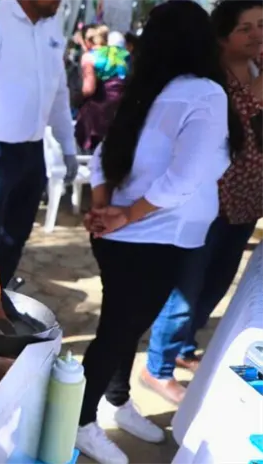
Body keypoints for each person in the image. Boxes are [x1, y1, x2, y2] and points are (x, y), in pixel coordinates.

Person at [76, 2, 242, 463]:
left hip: (132, 236)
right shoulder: (206, 93)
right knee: (117, 331)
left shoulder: (149, 89)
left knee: (125, 326)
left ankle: (115, 400)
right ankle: (81, 419)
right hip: (149, 237)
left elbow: (100, 156)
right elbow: (184, 180)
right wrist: (120, 216)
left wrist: (103, 208)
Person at [142, 0, 263, 405]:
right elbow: (238, 129)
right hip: (207, 202)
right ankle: (156, 368)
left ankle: (182, 347)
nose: (257, 36)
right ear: (222, 34)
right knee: (185, 290)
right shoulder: (210, 79)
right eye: (247, 28)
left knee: (215, 286)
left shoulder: (256, 73)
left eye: (262, 26)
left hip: (248, 202)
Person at [0, 0, 79, 288]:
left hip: (33, 151)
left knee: (14, 240)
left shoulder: (51, 27)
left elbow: (58, 92)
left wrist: (67, 145)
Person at [75, 25, 129, 153]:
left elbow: (89, 89)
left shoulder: (89, 57)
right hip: (122, 109)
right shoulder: (121, 54)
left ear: (87, 42)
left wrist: (74, 97)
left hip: (100, 111)